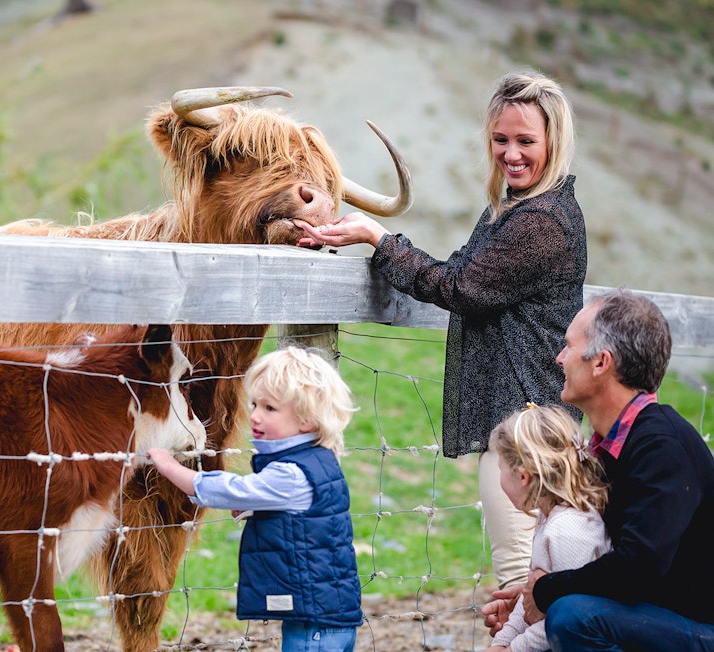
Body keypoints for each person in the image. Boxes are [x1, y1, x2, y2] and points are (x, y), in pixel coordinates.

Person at [296, 68, 586, 590]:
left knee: (523, 583)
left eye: (526, 141)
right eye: (500, 139)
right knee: (544, 581)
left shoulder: (540, 222)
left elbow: (461, 287)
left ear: (554, 141)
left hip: (527, 431)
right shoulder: (514, 210)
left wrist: (378, 238)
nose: (511, 153)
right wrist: (365, 238)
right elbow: (455, 270)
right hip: (531, 422)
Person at [486, 289, 714, 650]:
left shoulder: (663, 448)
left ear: (600, 363)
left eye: (569, 347)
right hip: (658, 614)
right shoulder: (609, 446)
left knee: (572, 617)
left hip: (698, 625)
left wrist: (546, 591)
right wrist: (531, 599)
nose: (559, 358)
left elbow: (638, 566)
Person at [146, 346, 362, 651]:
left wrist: (170, 467)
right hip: (327, 614)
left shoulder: (289, 473)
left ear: (307, 420)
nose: (254, 416)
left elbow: (228, 489)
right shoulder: (319, 459)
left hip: (314, 626)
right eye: (254, 404)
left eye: (269, 409)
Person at [480, 403, 611, 652]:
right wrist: (502, 642)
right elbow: (532, 599)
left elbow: (560, 618)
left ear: (523, 476)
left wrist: (513, 649)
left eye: (501, 470)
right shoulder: (550, 517)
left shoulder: (568, 531)